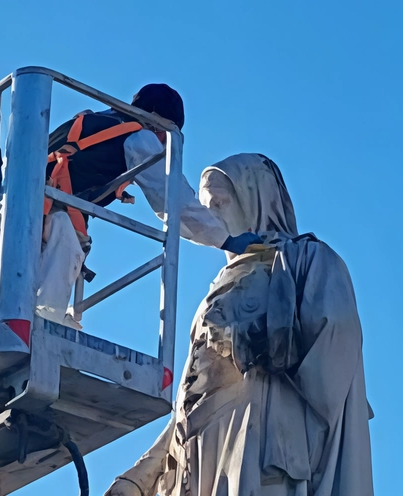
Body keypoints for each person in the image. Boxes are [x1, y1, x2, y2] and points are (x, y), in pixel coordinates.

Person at [104, 153, 374, 496]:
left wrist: (253, 341)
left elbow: (334, 349)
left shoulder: (305, 260)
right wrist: (141, 475)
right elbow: (192, 402)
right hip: (205, 461)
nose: (211, 215)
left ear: (255, 198)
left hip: (263, 451)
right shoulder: (216, 291)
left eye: (219, 202)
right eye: (205, 205)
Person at [36, 84, 262, 327]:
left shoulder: (90, 122)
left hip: (9, 214)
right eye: (167, 134)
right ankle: (46, 326)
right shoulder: (139, 136)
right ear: (157, 120)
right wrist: (226, 239)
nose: (164, 144)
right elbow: (175, 201)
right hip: (52, 220)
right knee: (45, 315)